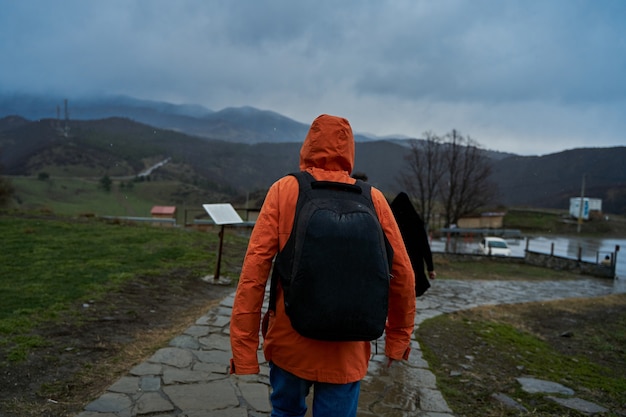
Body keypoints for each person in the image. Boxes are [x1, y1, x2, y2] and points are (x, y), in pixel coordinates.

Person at [229, 114, 416, 417]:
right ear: (350, 151)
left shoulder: (285, 190)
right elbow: (403, 276)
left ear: (308, 145)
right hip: (348, 351)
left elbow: (254, 272)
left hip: (290, 343)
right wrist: (397, 340)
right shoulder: (374, 199)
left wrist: (244, 351)